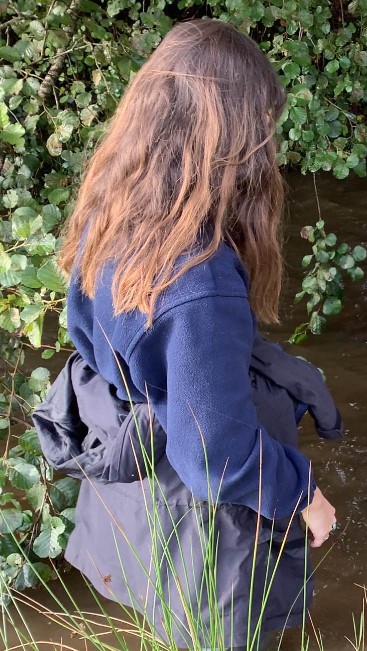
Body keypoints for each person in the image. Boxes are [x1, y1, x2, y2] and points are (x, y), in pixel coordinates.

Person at [42, 19, 340, 650]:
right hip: (201, 528)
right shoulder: (200, 277)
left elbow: (94, 342)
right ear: (233, 136)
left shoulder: (110, 211)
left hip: (143, 493)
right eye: (263, 127)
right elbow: (214, 456)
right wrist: (303, 494)